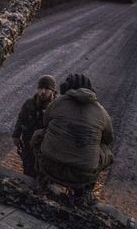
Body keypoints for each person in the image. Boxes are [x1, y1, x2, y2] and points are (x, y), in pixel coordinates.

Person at [34, 73, 114, 204]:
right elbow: (108, 138)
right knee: (106, 151)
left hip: (50, 167)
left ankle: (41, 176)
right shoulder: (101, 111)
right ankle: (85, 190)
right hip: (81, 176)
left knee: (39, 134)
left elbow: (45, 122)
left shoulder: (58, 102)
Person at [11, 75, 57, 177]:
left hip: (45, 150)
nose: (43, 91)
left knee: (43, 175)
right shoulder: (29, 103)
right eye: (40, 88)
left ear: (53, 91)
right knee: (28, 172)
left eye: (47, 89)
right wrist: (16, 135)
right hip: (28, 146)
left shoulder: (56, 107)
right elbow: (21, 119)